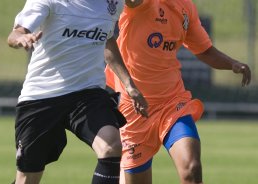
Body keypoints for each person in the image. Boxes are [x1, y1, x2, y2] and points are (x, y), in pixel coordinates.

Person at [105, 0, 252, 183]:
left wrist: (232, 64)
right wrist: (129, 86)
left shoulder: (185, 6)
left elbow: (204, 50)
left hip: (172, 103)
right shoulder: (141, 4)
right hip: (134, 108)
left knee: (192, 168)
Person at [7, 0, 148, 184]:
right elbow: (15, 33)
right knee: (27, 178)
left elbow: (107, 38)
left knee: (111, 146)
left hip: (87, 93)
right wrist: (21, 38)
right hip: (42, 95)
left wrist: (129, 85)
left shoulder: (112, 3)